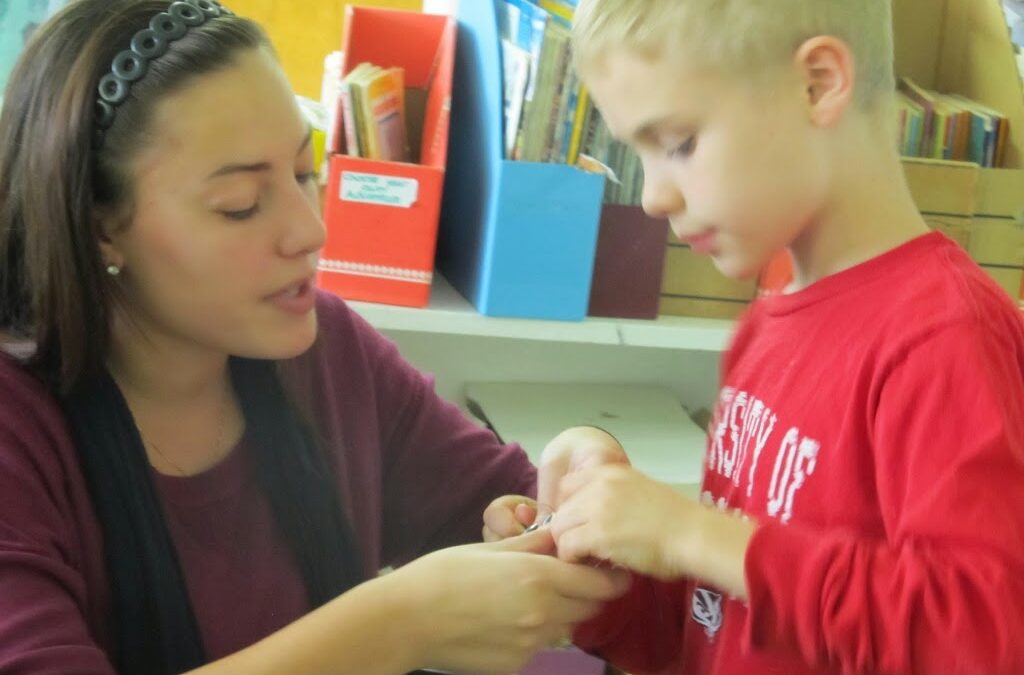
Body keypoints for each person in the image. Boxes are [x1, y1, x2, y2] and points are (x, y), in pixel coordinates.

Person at [0, 1, 630, 673]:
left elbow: (514, 509)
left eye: (305, 173)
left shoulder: (324, 348)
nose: (309, 231)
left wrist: (584, 492)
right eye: (240, 205)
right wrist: (395, 624)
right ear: (101, 226)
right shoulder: (20, 430)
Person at [520, 1, 1024, 673]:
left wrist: (691, 533)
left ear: (817, 84)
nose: (652, 196)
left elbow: (981, 638)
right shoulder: (765, 326)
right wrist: (604, 566)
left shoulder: (946, 338)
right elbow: (719, 623)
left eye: (677, 143)